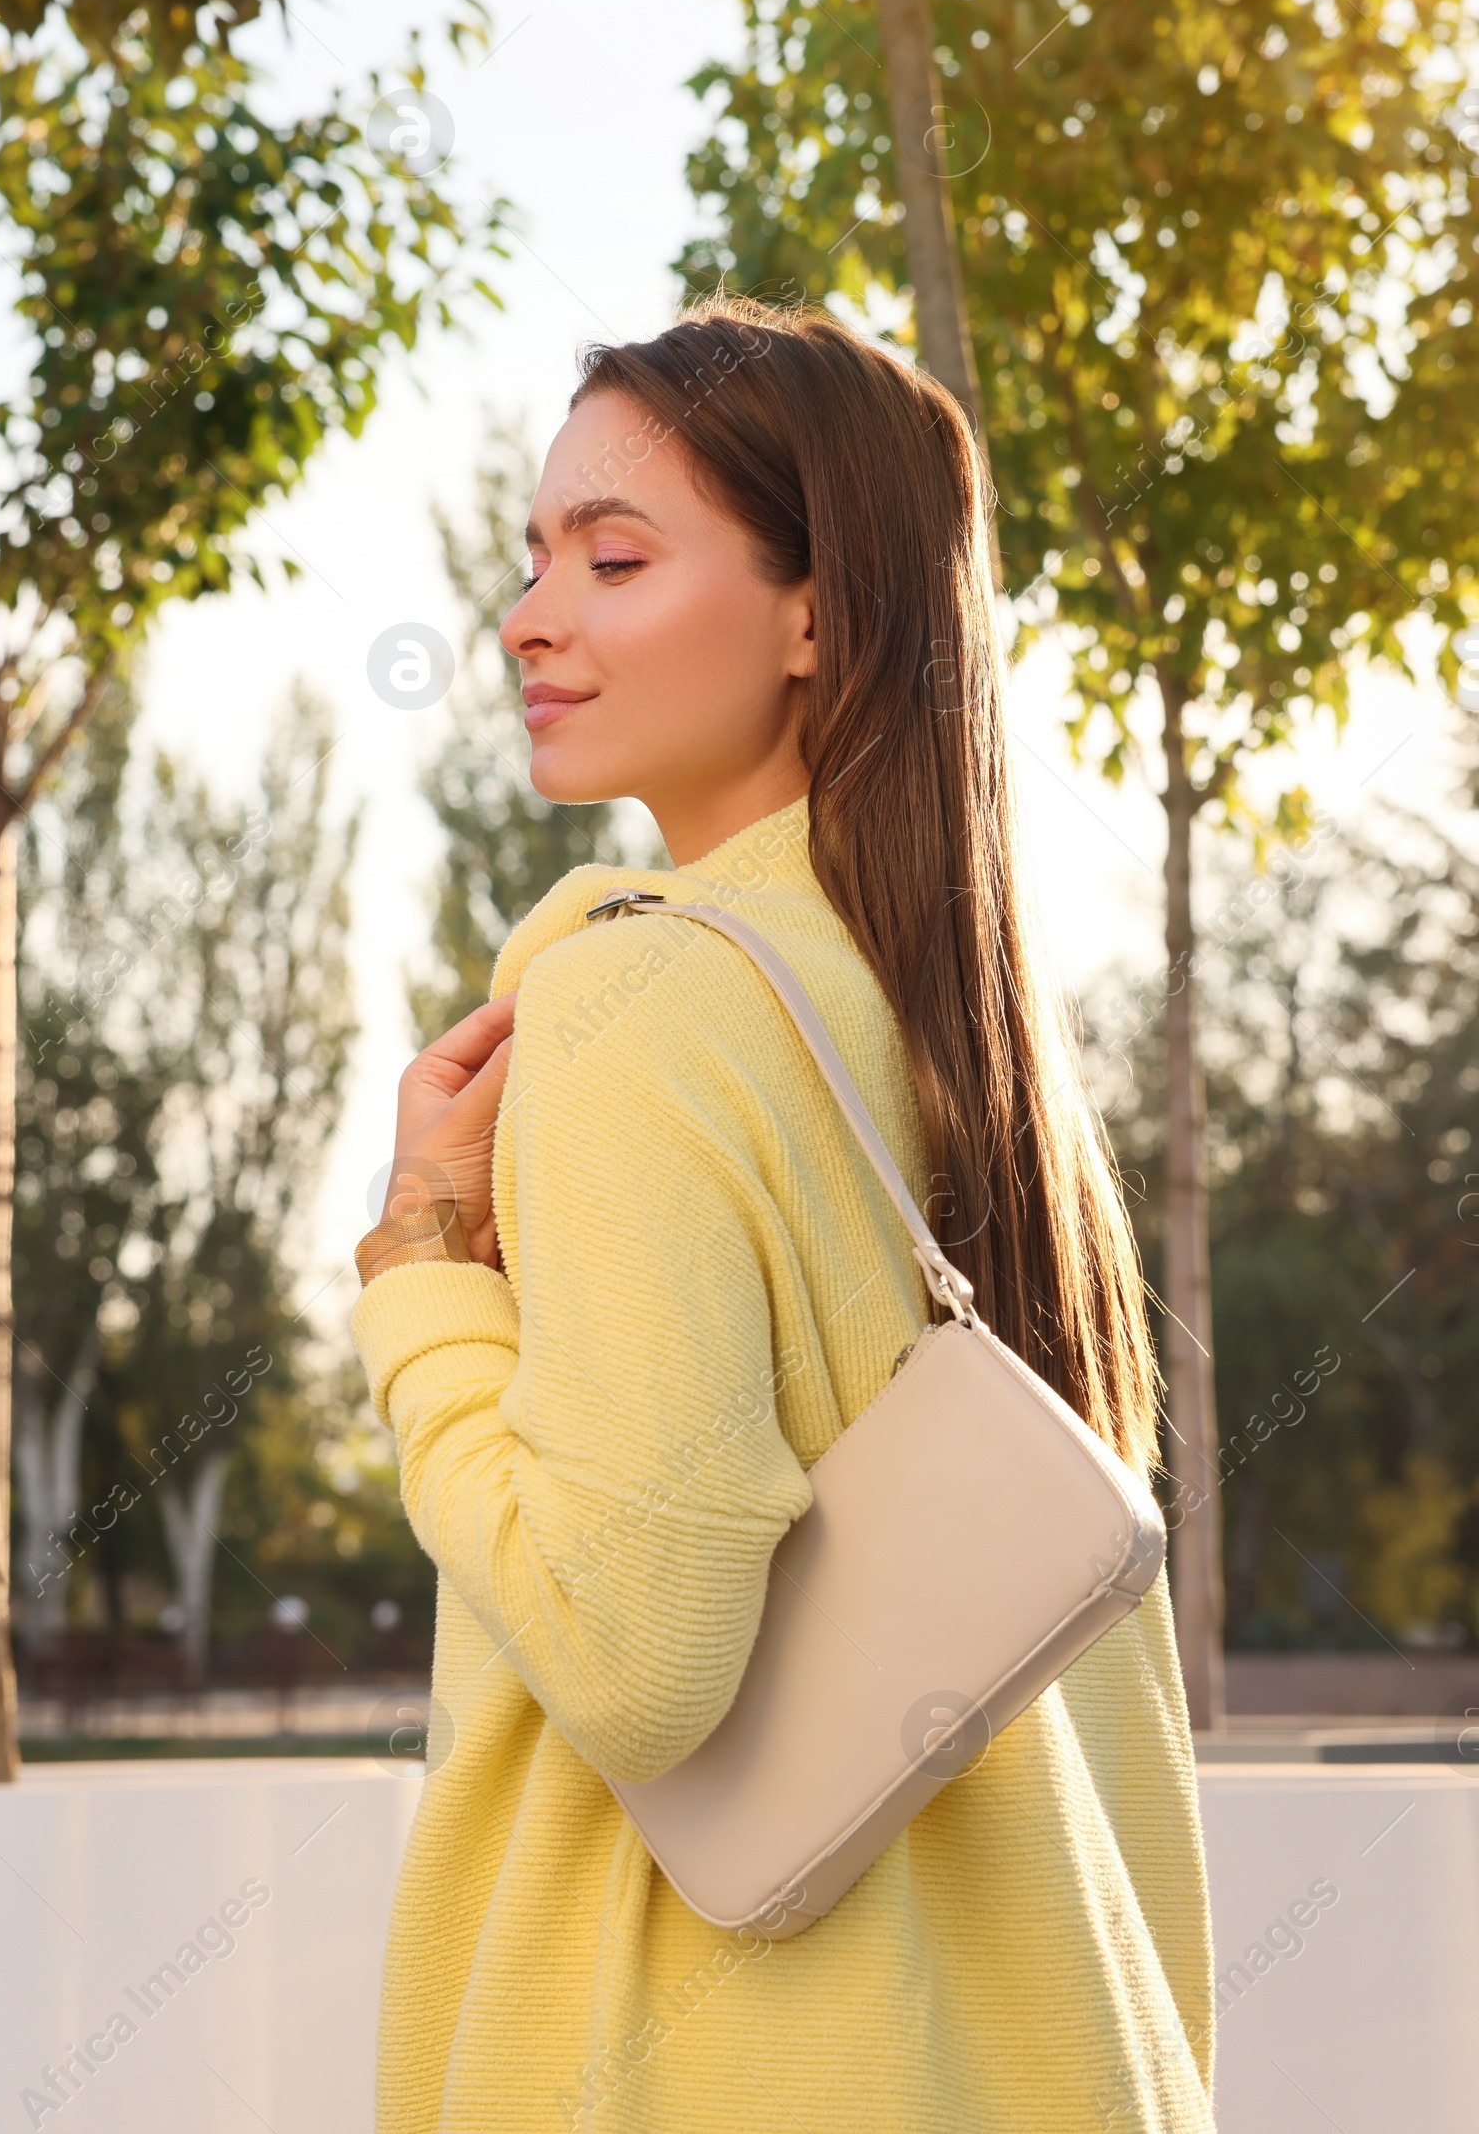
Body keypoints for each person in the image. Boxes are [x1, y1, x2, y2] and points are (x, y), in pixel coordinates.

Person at [351, 298, 1215, 2134]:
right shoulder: (965, 1034)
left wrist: (420, 1278)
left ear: (819, 613)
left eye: (615, 555)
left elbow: (633, 1652)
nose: (527, 618)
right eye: (535, 558)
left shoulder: (636, 1005)